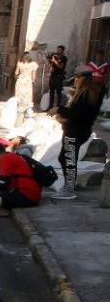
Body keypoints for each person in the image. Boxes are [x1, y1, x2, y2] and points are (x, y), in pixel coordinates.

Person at [54, 68, 103, 199]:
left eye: (77, 78)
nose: (75, 80)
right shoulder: (85, 93)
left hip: (75, 132)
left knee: (68, 159)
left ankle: (69, 189)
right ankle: (70, 185)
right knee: (65, 157)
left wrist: (59, 110)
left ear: (83, 79)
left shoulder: (87, 95)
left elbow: (79, 114)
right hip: (76, 130)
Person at [46, 45, 68, 111]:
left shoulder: (64, 58)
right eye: (57, 49)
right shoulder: (55, 56)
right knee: (51, 92)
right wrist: (50, 59)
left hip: (59, 77)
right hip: (52, 76)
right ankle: (50, 107)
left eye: (59, 50)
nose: (58, 51)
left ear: (62, 51)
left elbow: (60, 67)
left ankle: (58, 108)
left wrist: (54, 61)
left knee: (58, 93)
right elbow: (50, 64)